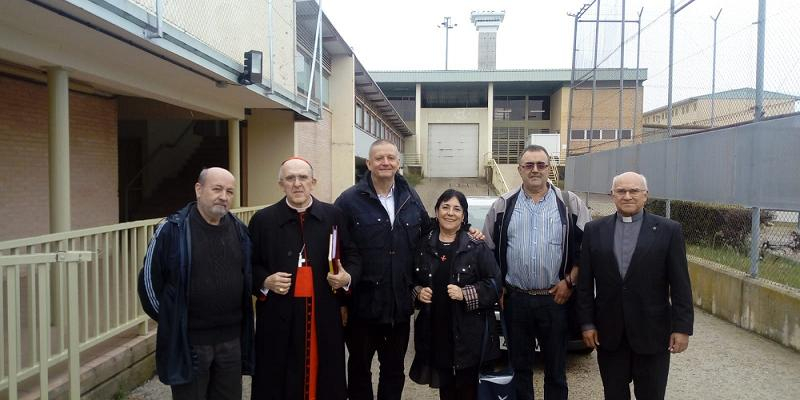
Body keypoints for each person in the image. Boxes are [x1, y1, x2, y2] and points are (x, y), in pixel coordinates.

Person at [483, 145, 590, 400]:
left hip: (556, 299)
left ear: (549, 169)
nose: (535, 170)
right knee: (520, 368)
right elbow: (486, 251)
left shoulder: (569, 203)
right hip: (515, 300)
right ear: (520, 170)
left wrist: (570, 282)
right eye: (528, 165)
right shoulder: (502, 206)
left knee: (555, 369)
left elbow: (587, 250)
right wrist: (498, 287)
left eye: (541, 165)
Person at [248, 157, 361, 400]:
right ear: (281, 184)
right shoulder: (263, 220)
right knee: (278, 374)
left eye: (303, 178)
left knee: (325, 377)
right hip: (279, 314)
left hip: (323, 312)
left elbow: (352, 255)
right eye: (290, 178)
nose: (297, 184)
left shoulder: (333, 215)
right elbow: (249, 265)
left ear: (313, 182)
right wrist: (265, 281)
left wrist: (346, 277)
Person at [137, 167, 254, 400]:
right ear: (199, 190)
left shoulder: (239, 230)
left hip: (231, 342)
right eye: (217, 189)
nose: (224, 196)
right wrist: (173, 318)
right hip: (190, 343)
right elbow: (149, 283)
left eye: (230, 191)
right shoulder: (172, 229)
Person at [576, 171, 693, 400]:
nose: (627, 196)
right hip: (610, 333)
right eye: (621, 191)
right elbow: (585, 284)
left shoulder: (669, 231)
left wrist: (682, 328)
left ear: (645, 195)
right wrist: (587, 323)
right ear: (612, 196)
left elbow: (680, 284)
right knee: (614, 394)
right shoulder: (594, 230)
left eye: (634, 191)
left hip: (653, 333)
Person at [334, 140, 430, 400]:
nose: (385, 163)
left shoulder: (410, 197)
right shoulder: (348, 201)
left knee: (393, 371)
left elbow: (427, 237)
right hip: (361, 307)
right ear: (368, 164)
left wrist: (467, 231)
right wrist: (341, 301)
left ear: (398, 163)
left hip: (398, 307)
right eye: (379, 158)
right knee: (358, 370)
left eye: (390, 158)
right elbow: (337, 253)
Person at [409, 189, 501, 400]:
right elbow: (409, 281)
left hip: (469, 336)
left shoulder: (476, 246)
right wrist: (418, 292)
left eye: (457, 209)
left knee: (468, 390)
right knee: (446, 390)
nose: (450, 213)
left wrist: (465, 293)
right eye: (445, 207)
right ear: (437, 211)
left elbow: (495, 284)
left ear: (463, 215)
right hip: (437, 333)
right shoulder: (423, 245)